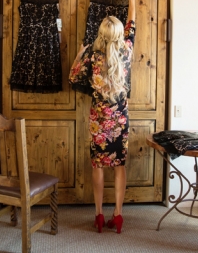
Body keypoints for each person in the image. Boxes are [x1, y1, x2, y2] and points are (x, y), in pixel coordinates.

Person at [69, 15, 134, 233]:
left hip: (99, 119)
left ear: (101, 34)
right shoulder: (126, 51)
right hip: (120, 119)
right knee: (119, 166)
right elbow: (131, 29)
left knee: (97, 164)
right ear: (118, 35)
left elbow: (73, 78)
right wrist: (132, 0)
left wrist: (79, 52)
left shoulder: (91, 56)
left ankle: (98, 214)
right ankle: (117, 215)